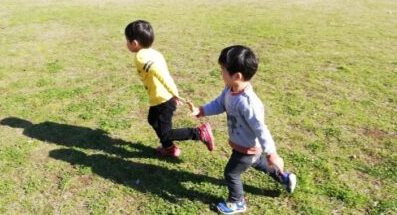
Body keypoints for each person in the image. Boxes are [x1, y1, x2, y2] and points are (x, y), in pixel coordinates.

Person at [187, 45, 297, 214]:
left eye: (223, 69)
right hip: (246, 148)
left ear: (237, 76)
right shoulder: (230, 90)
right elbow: (219, 104)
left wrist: (272, 154)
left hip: (246, 149)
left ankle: (237, 202)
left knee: (231, 174)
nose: (221, 72)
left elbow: (262, 130)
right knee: (260, 163)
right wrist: (201, 111)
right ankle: (283, 177)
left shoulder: (249, 103)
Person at [125, 20, 214, 157]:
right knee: (153, 120)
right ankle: (169, 147)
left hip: (163, 100)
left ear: (134, 43)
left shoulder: (141, 57)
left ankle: (199, 133)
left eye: (127, 41)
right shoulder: (154, 53)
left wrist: (174, 93)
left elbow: (162, 75)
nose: (126, 44)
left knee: (166, 132)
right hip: (161, 98)